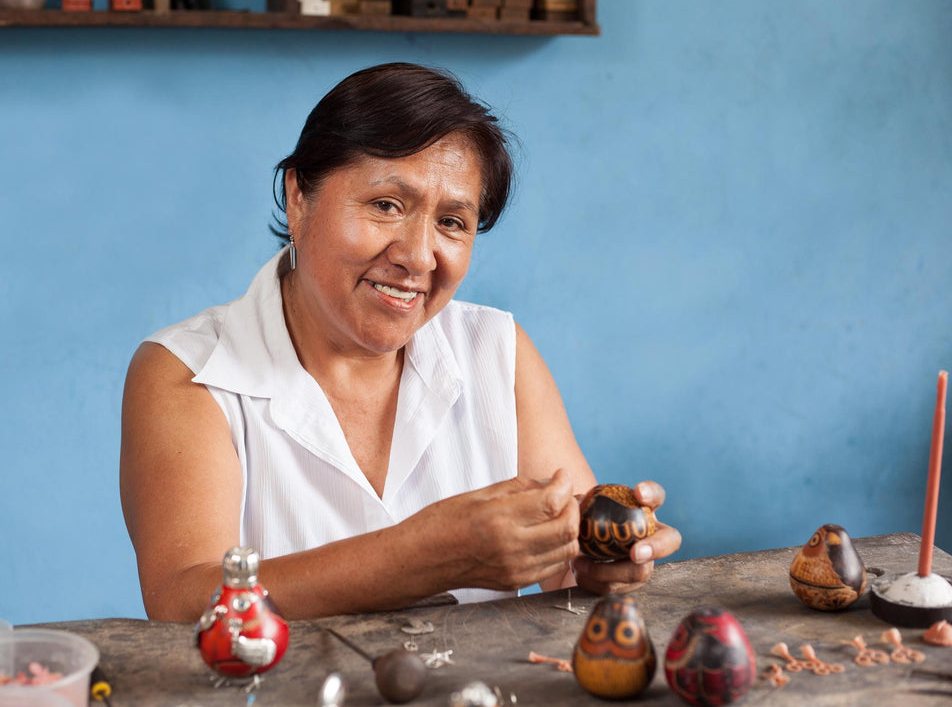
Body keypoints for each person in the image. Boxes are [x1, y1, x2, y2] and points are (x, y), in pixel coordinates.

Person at [120, 62, 682, 622]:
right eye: (386, 205)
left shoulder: (496, 351)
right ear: (298, 198)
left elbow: (565, 560)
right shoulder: (189, 372)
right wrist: (426, 557)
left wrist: (596, 564)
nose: (417, 255)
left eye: (453, 223)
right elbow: (181, 602)